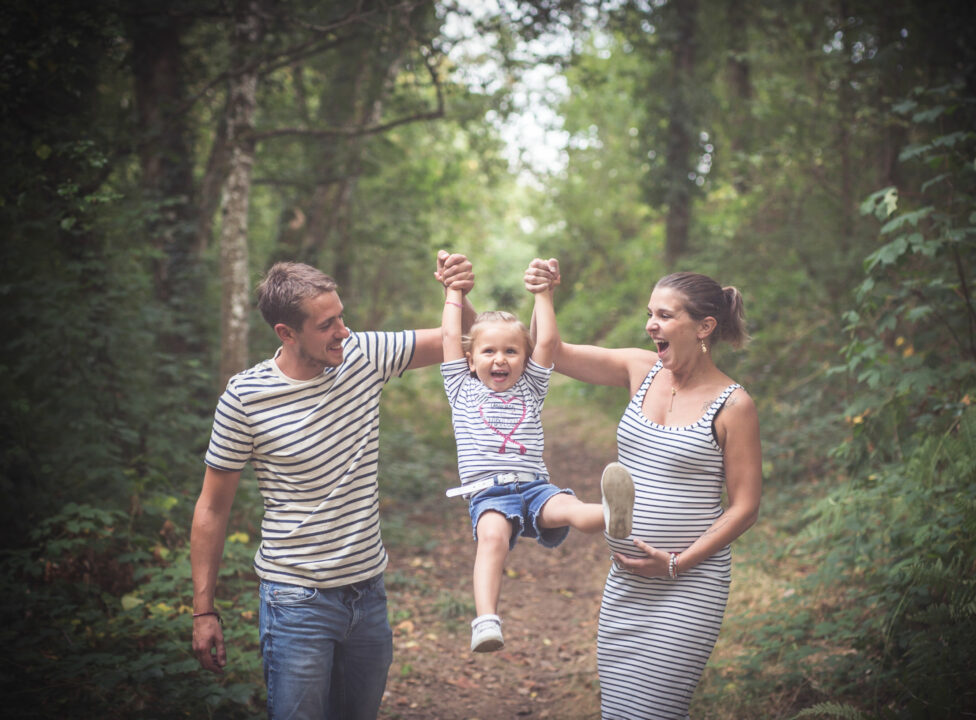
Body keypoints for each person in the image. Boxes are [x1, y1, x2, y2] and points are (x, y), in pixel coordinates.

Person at [190, 251, 475, 720]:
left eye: (341, 317)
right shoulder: (246, 397)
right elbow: (212, 508)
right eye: (326, 325)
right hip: (295, 601)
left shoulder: (363, 355)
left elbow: (463, 341)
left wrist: (458, 293)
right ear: (286, 333)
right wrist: (203, 611)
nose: (343, 331)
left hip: (368, 594)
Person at [525, 259, 763, 720]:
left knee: (654, 710)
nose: (651, 324)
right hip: (627, 583)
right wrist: (543, 294)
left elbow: (746, 507)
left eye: (665, 316)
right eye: (650, 314)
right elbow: (548, 352)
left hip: (689, 585)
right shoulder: (641, 368)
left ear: (704, 327)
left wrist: (676, 563)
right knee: (622, 709)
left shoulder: (734, 405)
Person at [440, 262, 635, 654]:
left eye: (511, 351)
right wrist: (453, 292)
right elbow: (449, 332)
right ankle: (485, 620)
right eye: (489, 351)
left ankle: (614, 515)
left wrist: (543, 294)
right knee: (492, 537)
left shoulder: (530, 386)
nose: (500, 359)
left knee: (572, 509)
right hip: (489, 493)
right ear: (470, 357)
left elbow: (546, 343)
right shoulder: (461, 388)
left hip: (535, 486)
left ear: (524, 358)